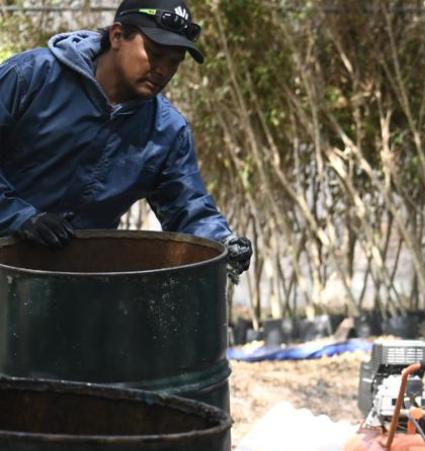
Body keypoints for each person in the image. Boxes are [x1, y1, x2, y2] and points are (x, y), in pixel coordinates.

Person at [0, 0, 252, 273]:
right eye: (155, 54)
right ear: (117, 35)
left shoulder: (167, 132)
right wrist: (20, 218)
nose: (163, 71)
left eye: (174, 63)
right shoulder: (30, 78)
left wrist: (223, 243)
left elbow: (188, 206)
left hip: (77, 286)